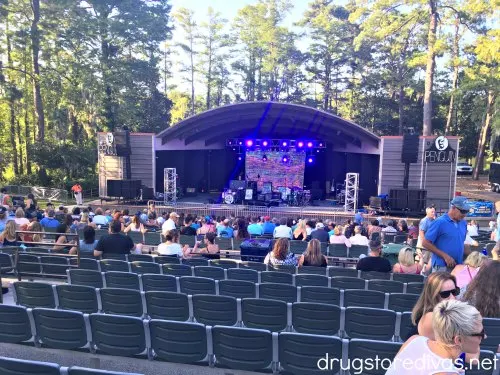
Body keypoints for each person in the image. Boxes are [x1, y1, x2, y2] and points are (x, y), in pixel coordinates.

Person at [385, 299, 485, 375]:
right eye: (480, 333)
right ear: (458, 340)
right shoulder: (446, 372)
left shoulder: (414, 339)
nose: (485, 336)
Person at [423, 196, 470, 272]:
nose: (464, 214)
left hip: (458, 266)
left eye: (467, 211)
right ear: (453, 208)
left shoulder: (463, 223)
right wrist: (445, 256)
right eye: (462, 211)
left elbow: (460, 243)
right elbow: (425, 243)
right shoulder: (439, 222)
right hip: (442, 267)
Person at [410, 272, 460, 340]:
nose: (452, 297)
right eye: (445, 294)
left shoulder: (450, 312)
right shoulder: (430, 317)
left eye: (454, 292)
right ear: (433, 296)